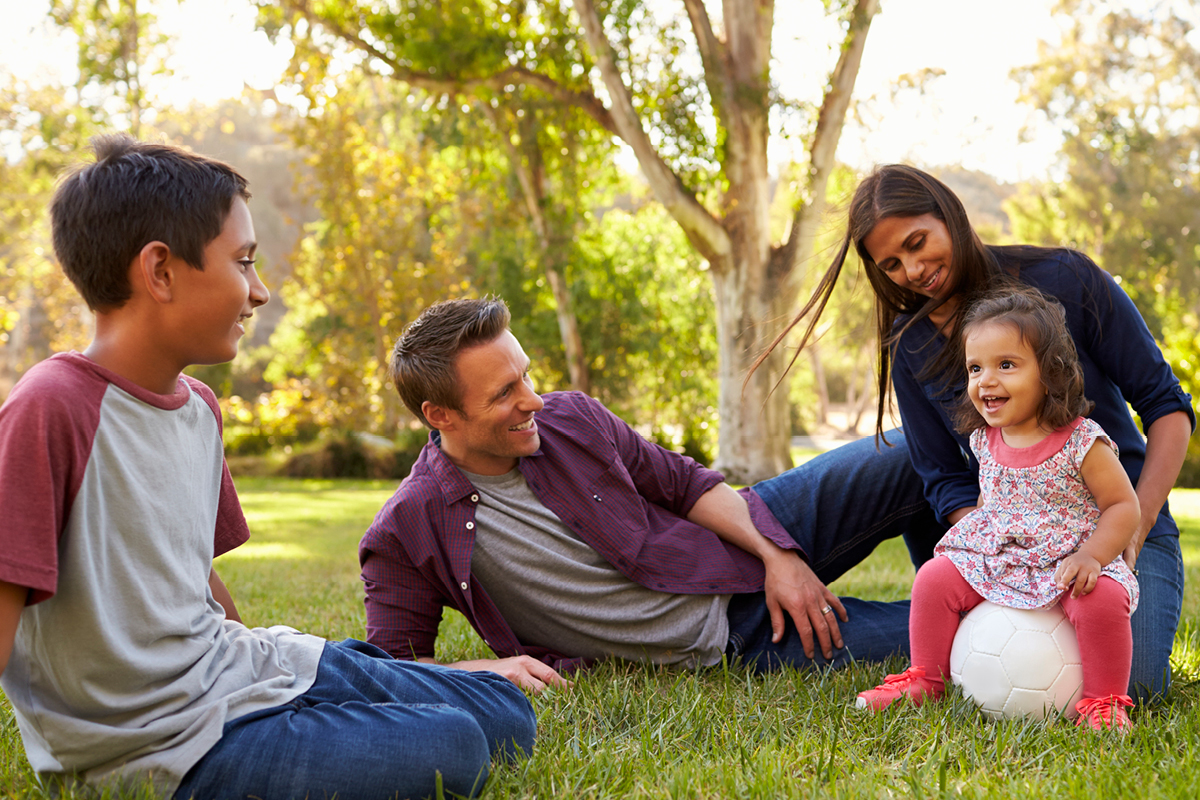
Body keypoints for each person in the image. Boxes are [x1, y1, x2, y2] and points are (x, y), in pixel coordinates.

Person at [0, 134, 535, 800]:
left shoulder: (199, 408)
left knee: (507, 714)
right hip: (160, 743)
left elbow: (188, 574)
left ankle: (383, 698)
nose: (260, 291)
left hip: (238, 669)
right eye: (244, 263)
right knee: (455, 746)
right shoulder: (50, 406)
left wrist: (266, 678)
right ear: (160, 272)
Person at [761, 164, 1194, 703]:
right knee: (953, 610)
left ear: (949, 214)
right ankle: (919, 646)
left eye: (918, 243)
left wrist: (1135, 524)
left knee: (1138, 685)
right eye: (892, 263)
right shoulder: (912, 344)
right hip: (1005, 537)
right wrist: (1001, 554)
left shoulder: (1067, 278)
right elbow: (943, 477)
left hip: (1115, 523)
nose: (914, 270)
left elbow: (1166, 405)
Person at [359, 296, 946, 690]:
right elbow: (392, 669)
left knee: (921, 445)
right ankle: (987, 596)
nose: (534, 400)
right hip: (734, 634)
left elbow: (683, 483)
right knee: (959, 633)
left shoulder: (571, 418)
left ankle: (980, 563)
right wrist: (486, 669)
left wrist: (776, 553)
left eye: (527, 376)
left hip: (744, 526)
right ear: (442, 415)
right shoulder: (407, 527)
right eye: (505, 393)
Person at [854, 287, 1141, 731]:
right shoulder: (986, 441)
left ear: (1049, 372)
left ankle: (1104, 702)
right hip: (1005, 556)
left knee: (1102, 599)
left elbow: (1123, 505)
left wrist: (1094, 556)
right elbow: (993, 503)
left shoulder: (1082, 440)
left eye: (1006, 365)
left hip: (1067, 558)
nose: (985, 380)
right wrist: (979, 545)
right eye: (975, 368)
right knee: (934, 578)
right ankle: (925, 678)